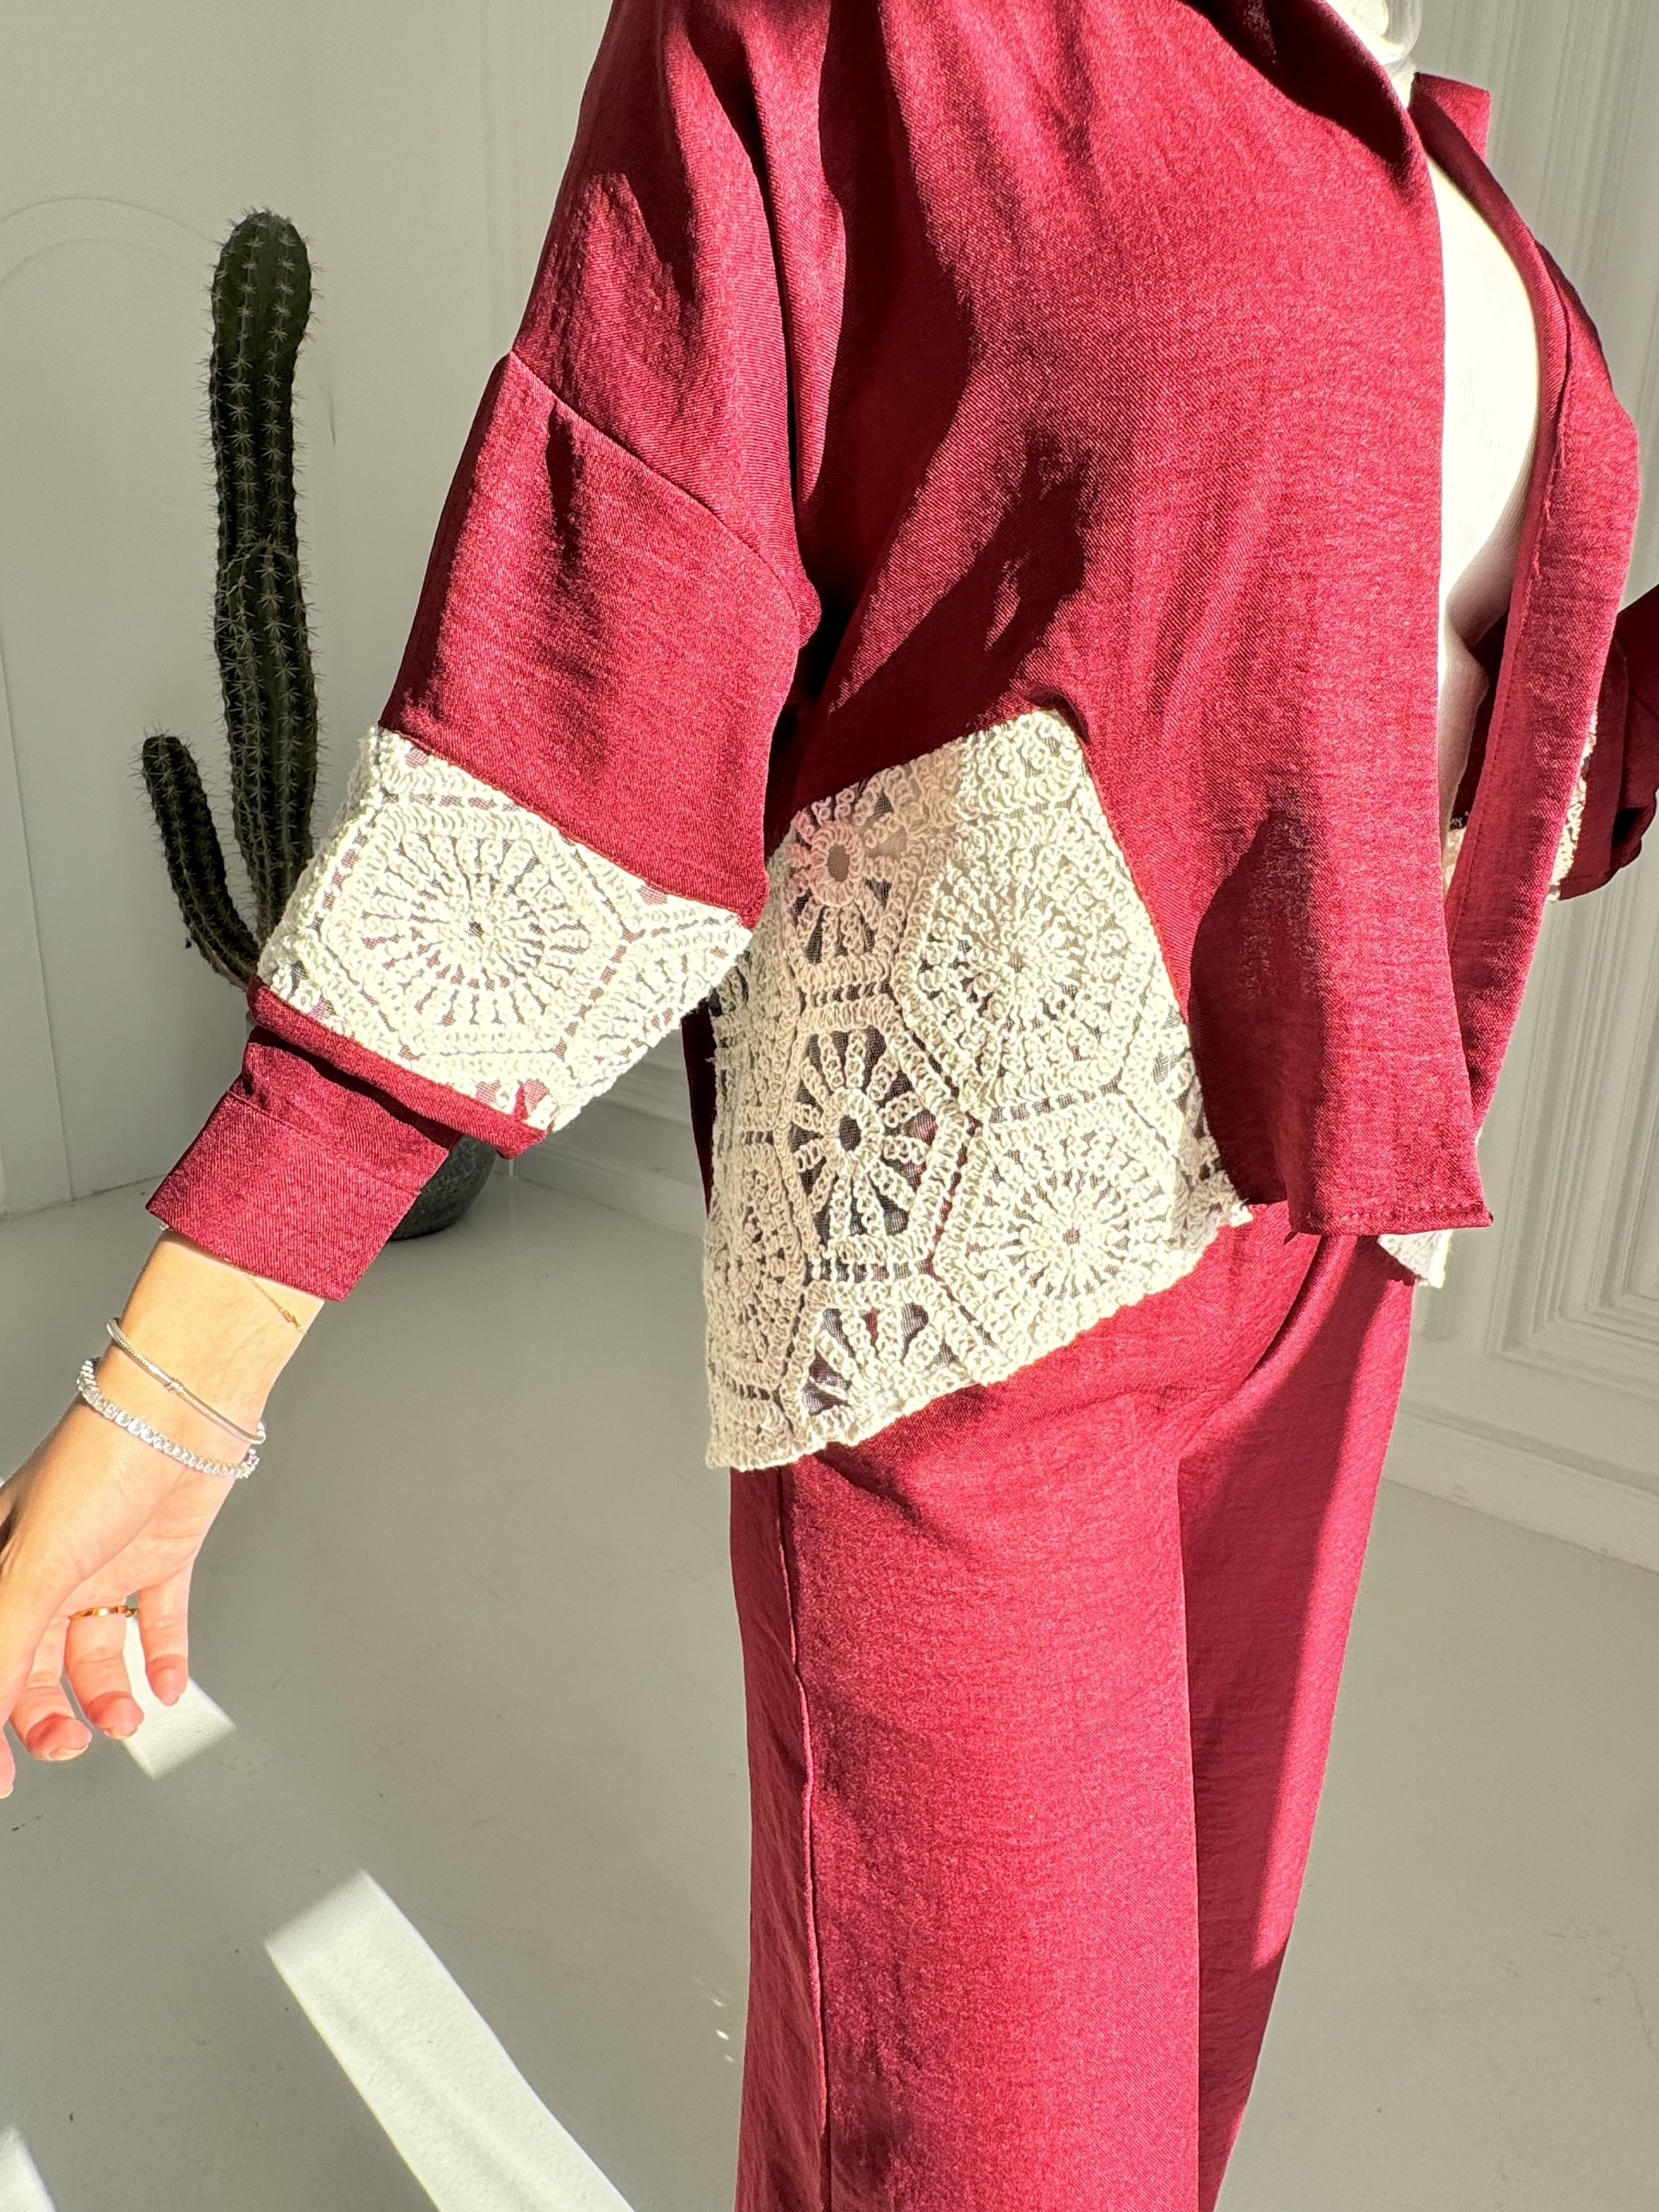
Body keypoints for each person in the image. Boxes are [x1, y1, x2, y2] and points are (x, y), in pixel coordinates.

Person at [2, 1, 1654, 2203]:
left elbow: (1419, 735)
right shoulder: (859, 28)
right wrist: (171, 1397)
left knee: (1163, 2087)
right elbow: (588, 676)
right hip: (960, 1295)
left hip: (1320, 1267)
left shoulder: (1421, 144)